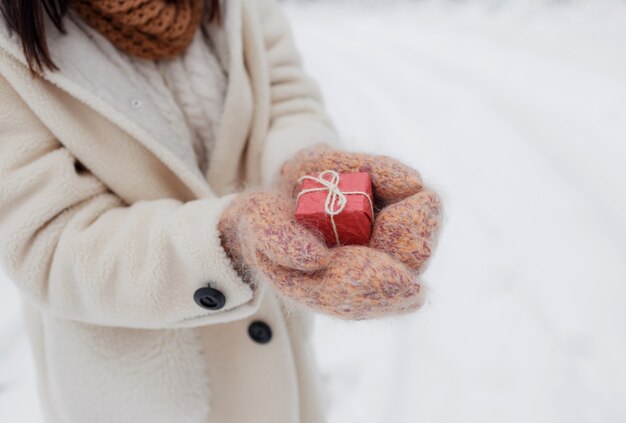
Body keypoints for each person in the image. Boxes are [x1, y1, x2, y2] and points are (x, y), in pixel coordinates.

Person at [0, 0, 442, 422]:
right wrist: (226, 241)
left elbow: (287, 95)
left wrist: (304, 166)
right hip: (146, 398)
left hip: (276, 374)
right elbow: (52, 242)